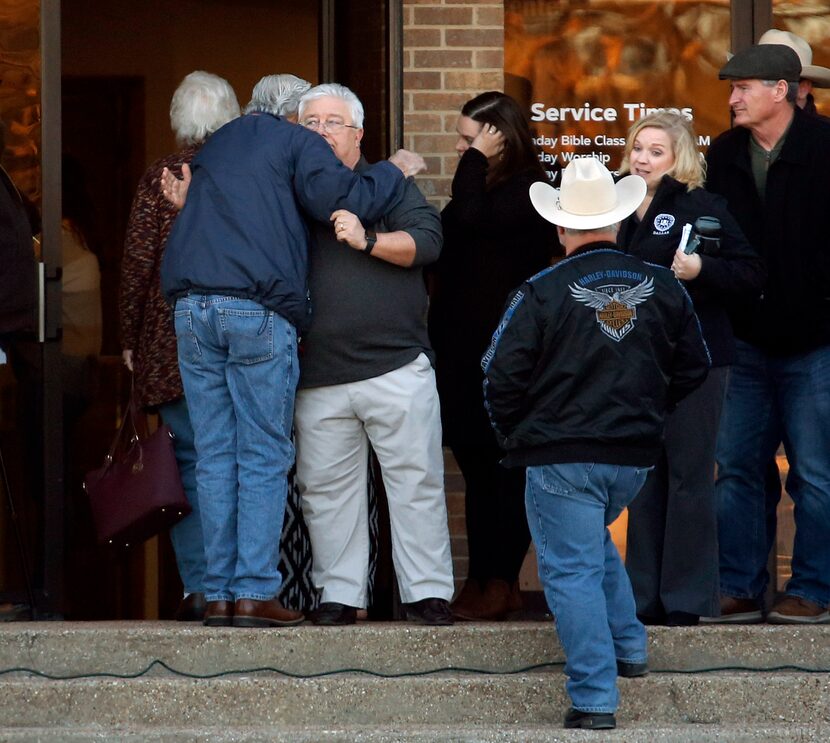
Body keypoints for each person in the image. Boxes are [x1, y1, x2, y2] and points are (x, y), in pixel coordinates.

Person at [160, 80, 422, 629]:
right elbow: (345, 201)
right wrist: (393, 168)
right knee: (261, 453)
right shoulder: (291, 144)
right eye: (311, 120)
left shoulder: (221, 143)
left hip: (191, 309)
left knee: (213, 454)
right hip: (254, 310)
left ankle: (217, 593)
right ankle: (253, 593)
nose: (318, 131)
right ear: (293, 119)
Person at [483, 157, 709, 730]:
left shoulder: (540, 289)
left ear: (560, 228)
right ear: (619, 221)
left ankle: (594, 698)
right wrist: (649, 413)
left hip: (560, 452)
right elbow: (694, 367)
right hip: (631, 456)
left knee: (571, 568)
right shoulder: (662, 286)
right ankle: (629, 648)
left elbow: (497, 374)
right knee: (591, 550)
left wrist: (516, 433)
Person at [293, 84, 454, 627]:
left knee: (417, 483)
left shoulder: (391, 187)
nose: (319, 131)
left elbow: (429, 243)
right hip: (319, 372)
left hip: (396, 363)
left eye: (331, 122)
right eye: (309, 122)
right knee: (326, 492)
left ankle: (426, 594)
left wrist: (367, 241)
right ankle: (339, 595)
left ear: (358, 133)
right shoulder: (290, 190)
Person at [616, 111, 765, 626]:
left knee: (689, 479)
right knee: (643, 479)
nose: (643, 158)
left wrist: (702, 270)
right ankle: (641, 600)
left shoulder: (702, 206)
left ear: (679, 157)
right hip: (633, 363)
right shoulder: (611, 203)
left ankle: (684, 601)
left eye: (657, 151)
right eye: (638, 148)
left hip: (697, 361)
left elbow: (750, 273)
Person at [704, 44, 830, 624]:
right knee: (736, 468)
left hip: (816, 343)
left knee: (815, 474)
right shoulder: (724, 154)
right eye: (732, 89)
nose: (732, 99)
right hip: (743, 340)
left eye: (744, 88)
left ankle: (813, 588)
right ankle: (739, 585)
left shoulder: (825, 146)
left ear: (780, 90)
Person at [427, 91, 559, 620]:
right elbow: (455, 231)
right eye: (463, 140)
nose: (463, 149)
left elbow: (478, 220)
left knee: (505, 469)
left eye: (471, 138)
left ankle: (501, 577)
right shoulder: (477, 188)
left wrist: (474, 161)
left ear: (500, 137)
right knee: (476, 468)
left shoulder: (530, 188)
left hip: (507, 352)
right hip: (459, 351)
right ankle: (480, 578)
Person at [119, 71, 242, 622]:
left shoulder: (159, 177)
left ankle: (200, 586)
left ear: (177, 119)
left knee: (189, 463)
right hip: (241, 337)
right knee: (245, 461)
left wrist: (128, 339)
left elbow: (138, 266)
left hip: (170, 343)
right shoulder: (244, 172)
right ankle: (243, 581)